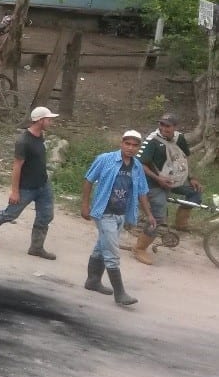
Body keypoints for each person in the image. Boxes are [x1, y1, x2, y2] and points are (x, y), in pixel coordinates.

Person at [81, 131, 154, 306]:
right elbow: (88, 179)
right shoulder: (105, 159)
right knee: (112, 253)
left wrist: (149, 214)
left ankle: (92, 281)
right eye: (127, 144)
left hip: (121, 214)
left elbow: (142, 192)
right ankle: (120, 293)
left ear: (138, 148)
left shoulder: (136, 167)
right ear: (121, 143)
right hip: (104, 212)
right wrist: (85, 205)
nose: (130, 148)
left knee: (102, 247)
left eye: (134, 145)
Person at [0, 106, 60, 259]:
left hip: (43, 185)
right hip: (27, 188)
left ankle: (36, 247)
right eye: (48, 119)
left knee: (46, 216)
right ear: (40, 120)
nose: (51, 122)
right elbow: (17, 167)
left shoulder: (41, 135)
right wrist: (15, 191)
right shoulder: (23, 141)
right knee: (10, 214)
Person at [137, 112, 204, 264]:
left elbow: (184, 158)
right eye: (161, 124)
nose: (163, 128)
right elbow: (141, 164)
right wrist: (158, 179)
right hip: (153, 182)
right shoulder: (153, 140)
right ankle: (139, 248)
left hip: (174, 179)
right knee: (158, 216)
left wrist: (191, 177)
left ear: (175, 127)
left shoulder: (179, 138)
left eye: (168, 126)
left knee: (195, 194)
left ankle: (180, 226)